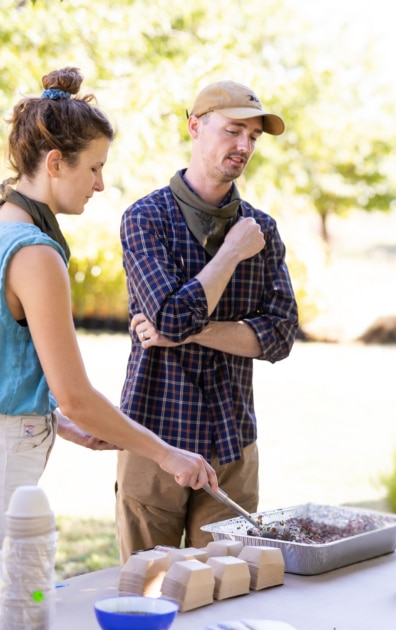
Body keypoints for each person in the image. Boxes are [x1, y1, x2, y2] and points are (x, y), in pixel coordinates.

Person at [0, 67, 219, 607]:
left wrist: (53, 421)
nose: (100, 184)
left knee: (23, 625)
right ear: (56, 163)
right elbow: (78, 393)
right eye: (94, 167)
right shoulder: (34, 252)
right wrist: (167, 455)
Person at [116, 80, 299, 561]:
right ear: (195, 127)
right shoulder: (145, 219)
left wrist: (185, 333)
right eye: (234, 130)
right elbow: (169, 317)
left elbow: (280, 336)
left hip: (231, 442)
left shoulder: (263, 229)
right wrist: (232, 254)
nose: (245, 146)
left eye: (254, 137)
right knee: (145, 592)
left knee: (226, 592)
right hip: (153, 436)